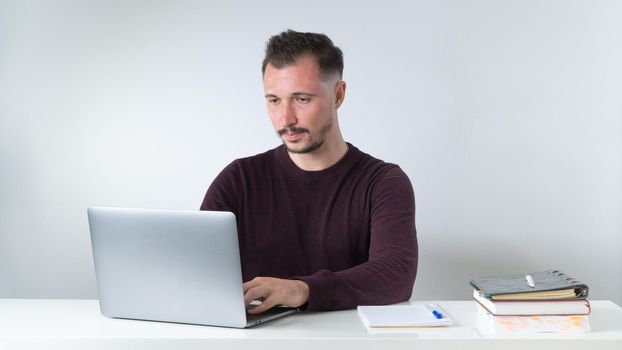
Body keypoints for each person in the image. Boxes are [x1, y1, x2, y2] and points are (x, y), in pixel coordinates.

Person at [200, 29, 417, 314]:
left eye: (301, 99)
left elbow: (396, 275)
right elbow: (196, 270)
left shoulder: (383, 182)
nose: (285, 118)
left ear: (338, 95)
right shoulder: (239, 179)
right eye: (274, 100)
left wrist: (302, 290)